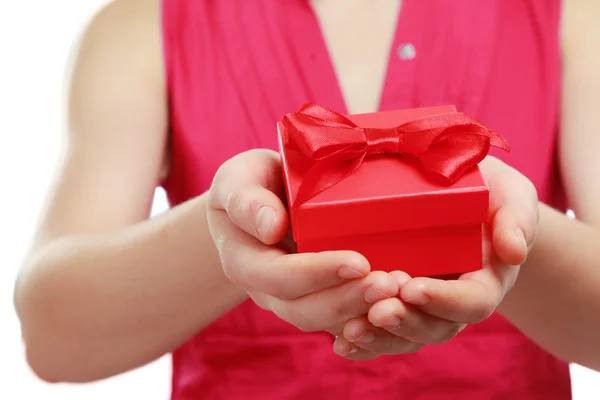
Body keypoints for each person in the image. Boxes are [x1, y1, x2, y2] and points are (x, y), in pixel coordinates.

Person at [12, 0, 600, 398]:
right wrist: (231, 224)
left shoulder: (572, 17)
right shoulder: (141, 24)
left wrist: (508, 231)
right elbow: (55, 340)